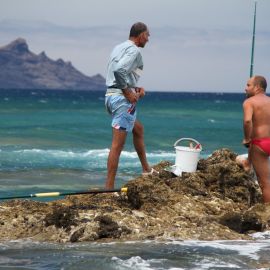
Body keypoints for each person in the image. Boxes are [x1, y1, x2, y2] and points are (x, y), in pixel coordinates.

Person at [104, 22, 156, 189]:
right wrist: (127, 92)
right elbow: (119, 70)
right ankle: (109, 189)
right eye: (147, 35)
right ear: (140, 35)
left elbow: (119, 72)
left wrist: (135, 88)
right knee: (117, 145)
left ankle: (146, 169)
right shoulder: (134, 50)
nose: (148, 39)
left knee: (138, 129)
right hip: (121, 99)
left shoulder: (118, 47)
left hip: (111, 96)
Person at [242, 75, 270, 203]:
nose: (245, 89)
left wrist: (247, 139)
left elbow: (248, 121)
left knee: (265, 183)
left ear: (257, 87)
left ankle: (267, 214)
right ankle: (247, 163)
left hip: (260, 144)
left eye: (248, 85)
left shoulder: (249, 102)